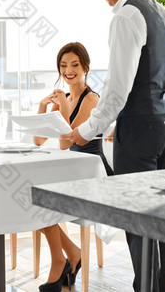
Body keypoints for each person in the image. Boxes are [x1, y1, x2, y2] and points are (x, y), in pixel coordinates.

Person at [61, 0, 165, 292]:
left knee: (136, 214)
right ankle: (164, 285)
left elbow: (117, 89)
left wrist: (86, 131)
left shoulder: (126, 16)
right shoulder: (164, 14)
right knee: (159, 211)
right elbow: (162, 78)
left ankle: (146, 288)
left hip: (141, 128)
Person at [32, 42, 112, 292]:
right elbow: (38, 140)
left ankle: (62, 261)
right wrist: (44, 107)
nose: (68, 70)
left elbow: (69, 143)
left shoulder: (92, 99)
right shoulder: (65, 99)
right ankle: (71, 254)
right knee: (31, 196)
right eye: (63, 65)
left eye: (74, 65)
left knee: (42, 198)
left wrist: (64, 112)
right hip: (71, 170)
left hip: (92, 174)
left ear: (85, 67)